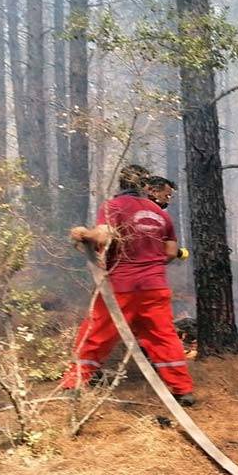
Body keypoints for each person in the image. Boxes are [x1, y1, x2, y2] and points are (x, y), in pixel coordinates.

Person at [60, 165, 197, 406]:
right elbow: (171, 252)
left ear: (121, 184)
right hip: (155, 286)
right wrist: (150, 263)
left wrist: (83, 234)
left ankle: (74, 383)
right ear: (144, 186)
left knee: (96, 333)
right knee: (163, 337)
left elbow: (103, 236)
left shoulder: (113, 206)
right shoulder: (161, 214)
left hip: (122, 286)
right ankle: (182, 390)